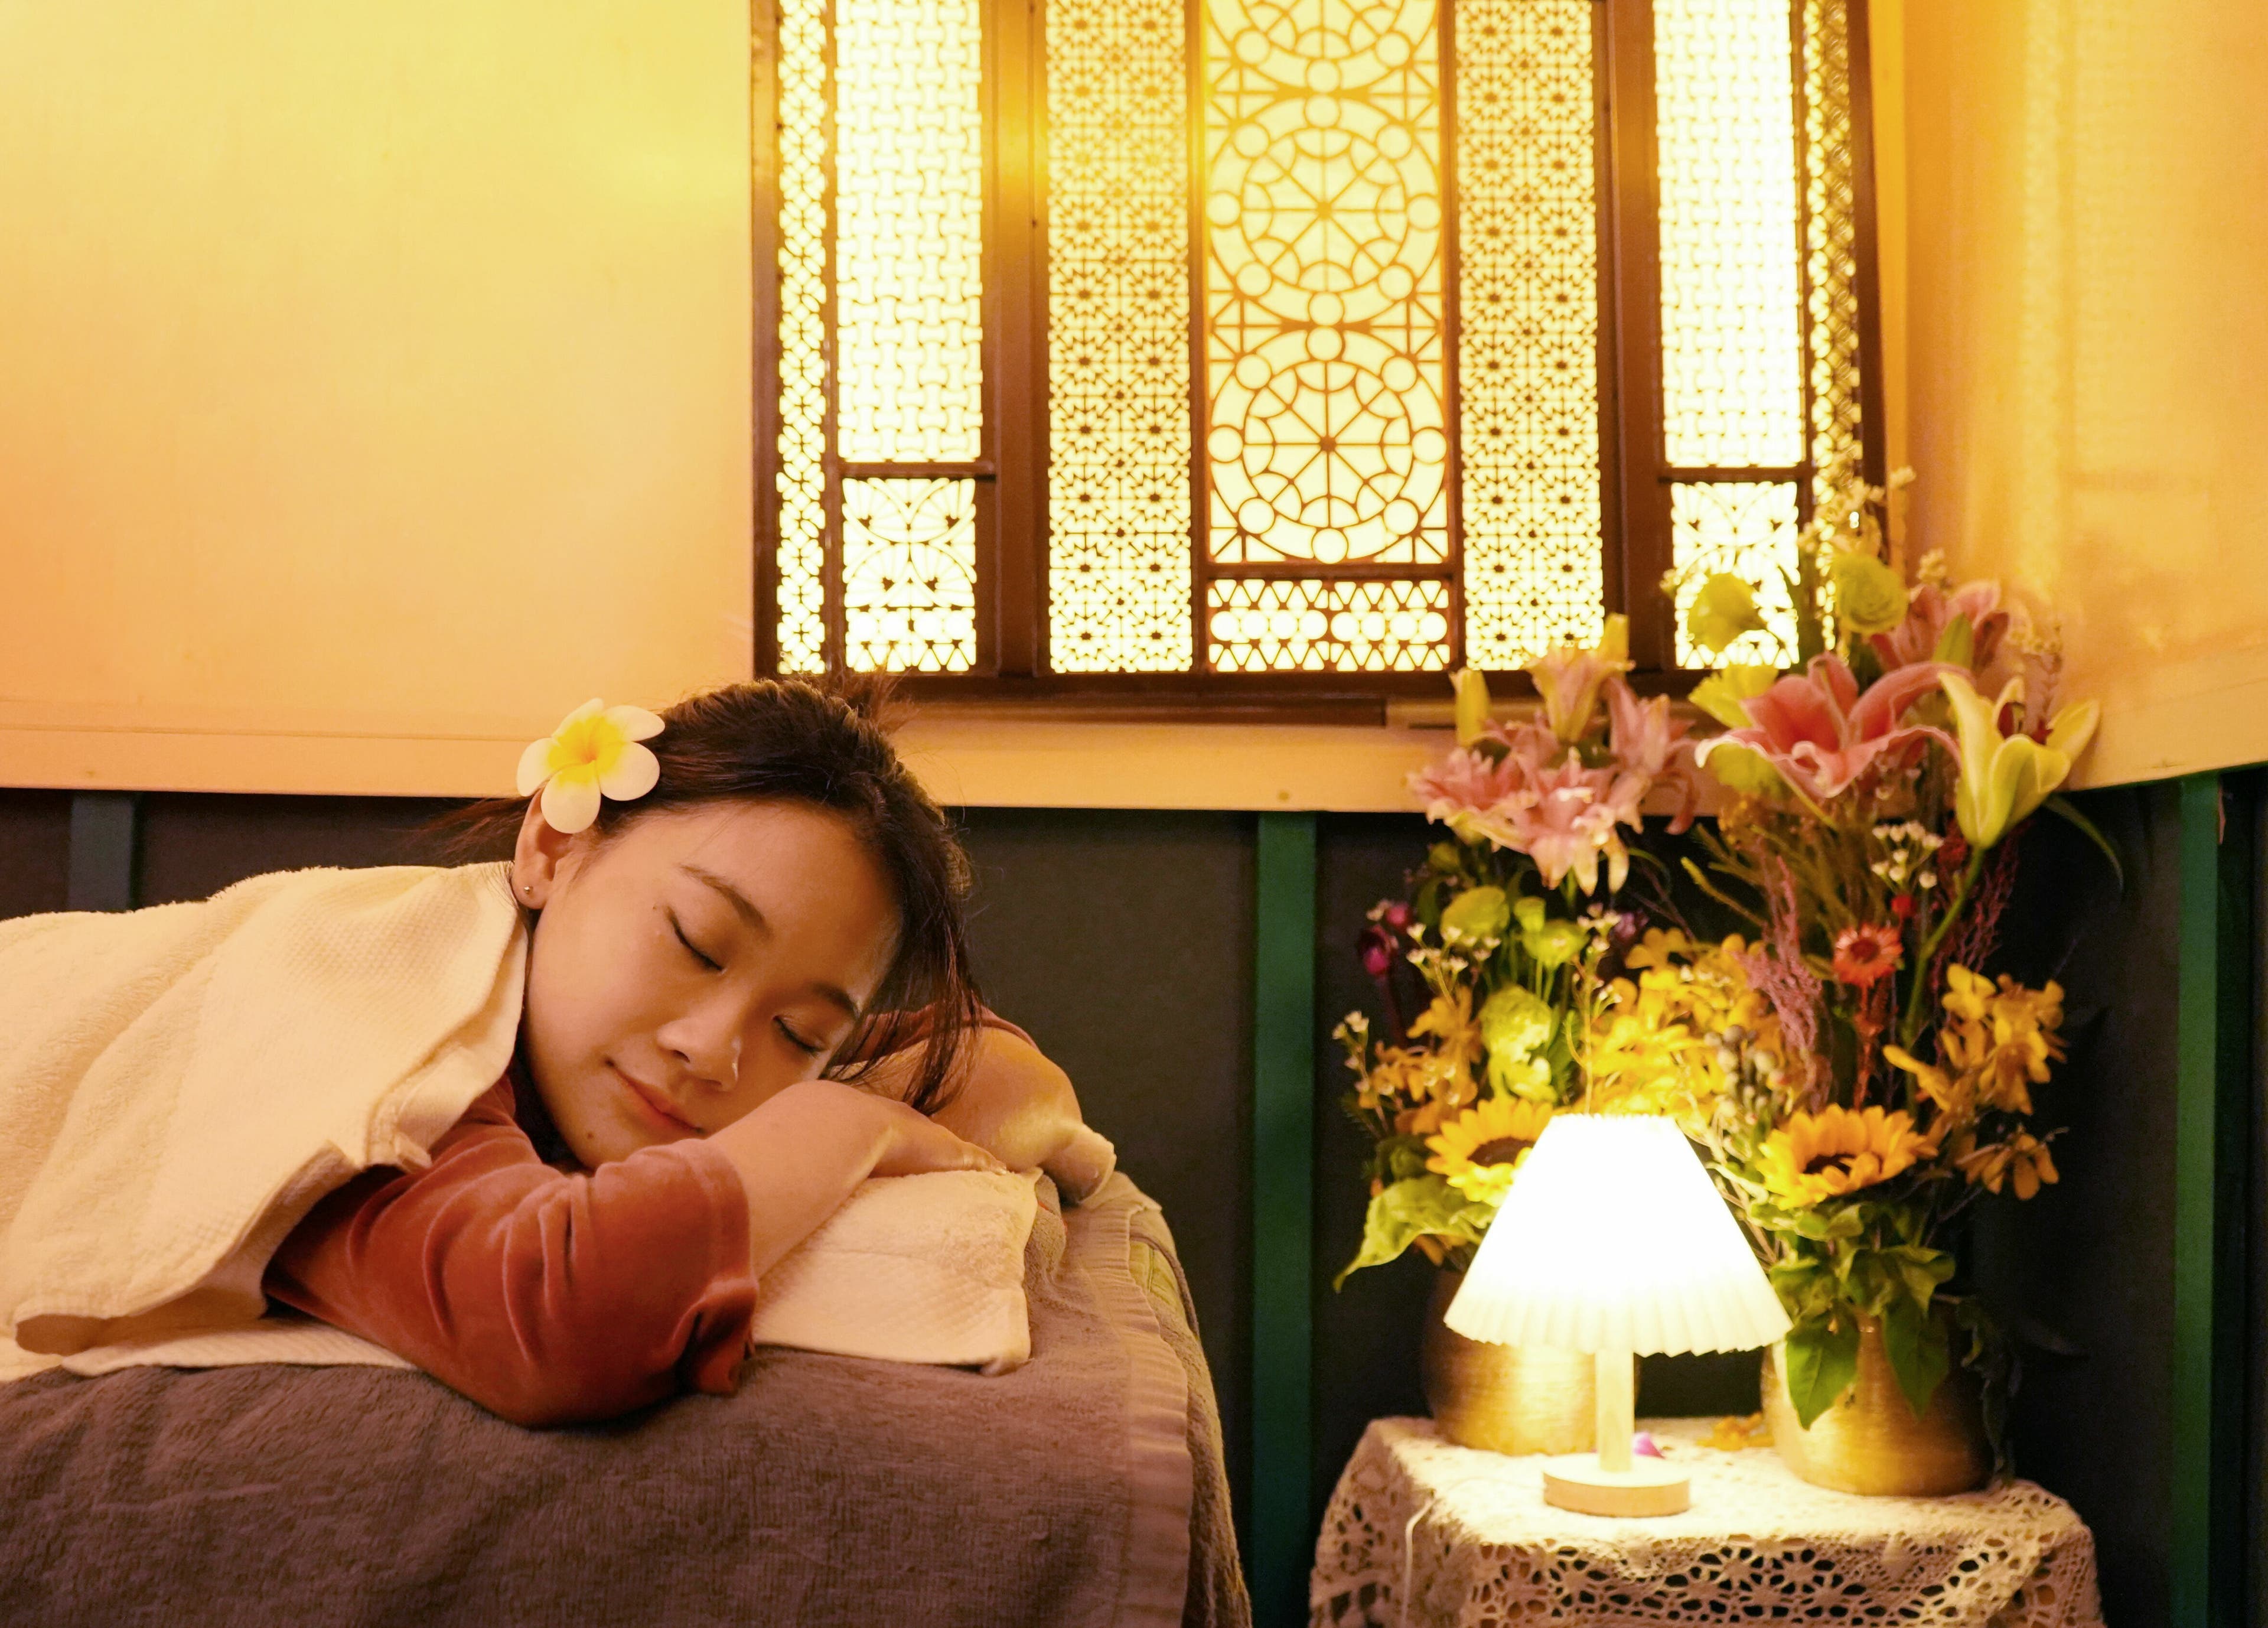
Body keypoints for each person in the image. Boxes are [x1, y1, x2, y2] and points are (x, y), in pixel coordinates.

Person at [262, 676, 1086, 1427]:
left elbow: (1014, 1077)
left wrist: (847, 1107)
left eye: (799, 1033)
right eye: (696, 944)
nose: (716, 1052)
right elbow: (555, 1321)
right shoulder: (389, 1023)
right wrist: (840, 1127)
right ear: (553, 848)